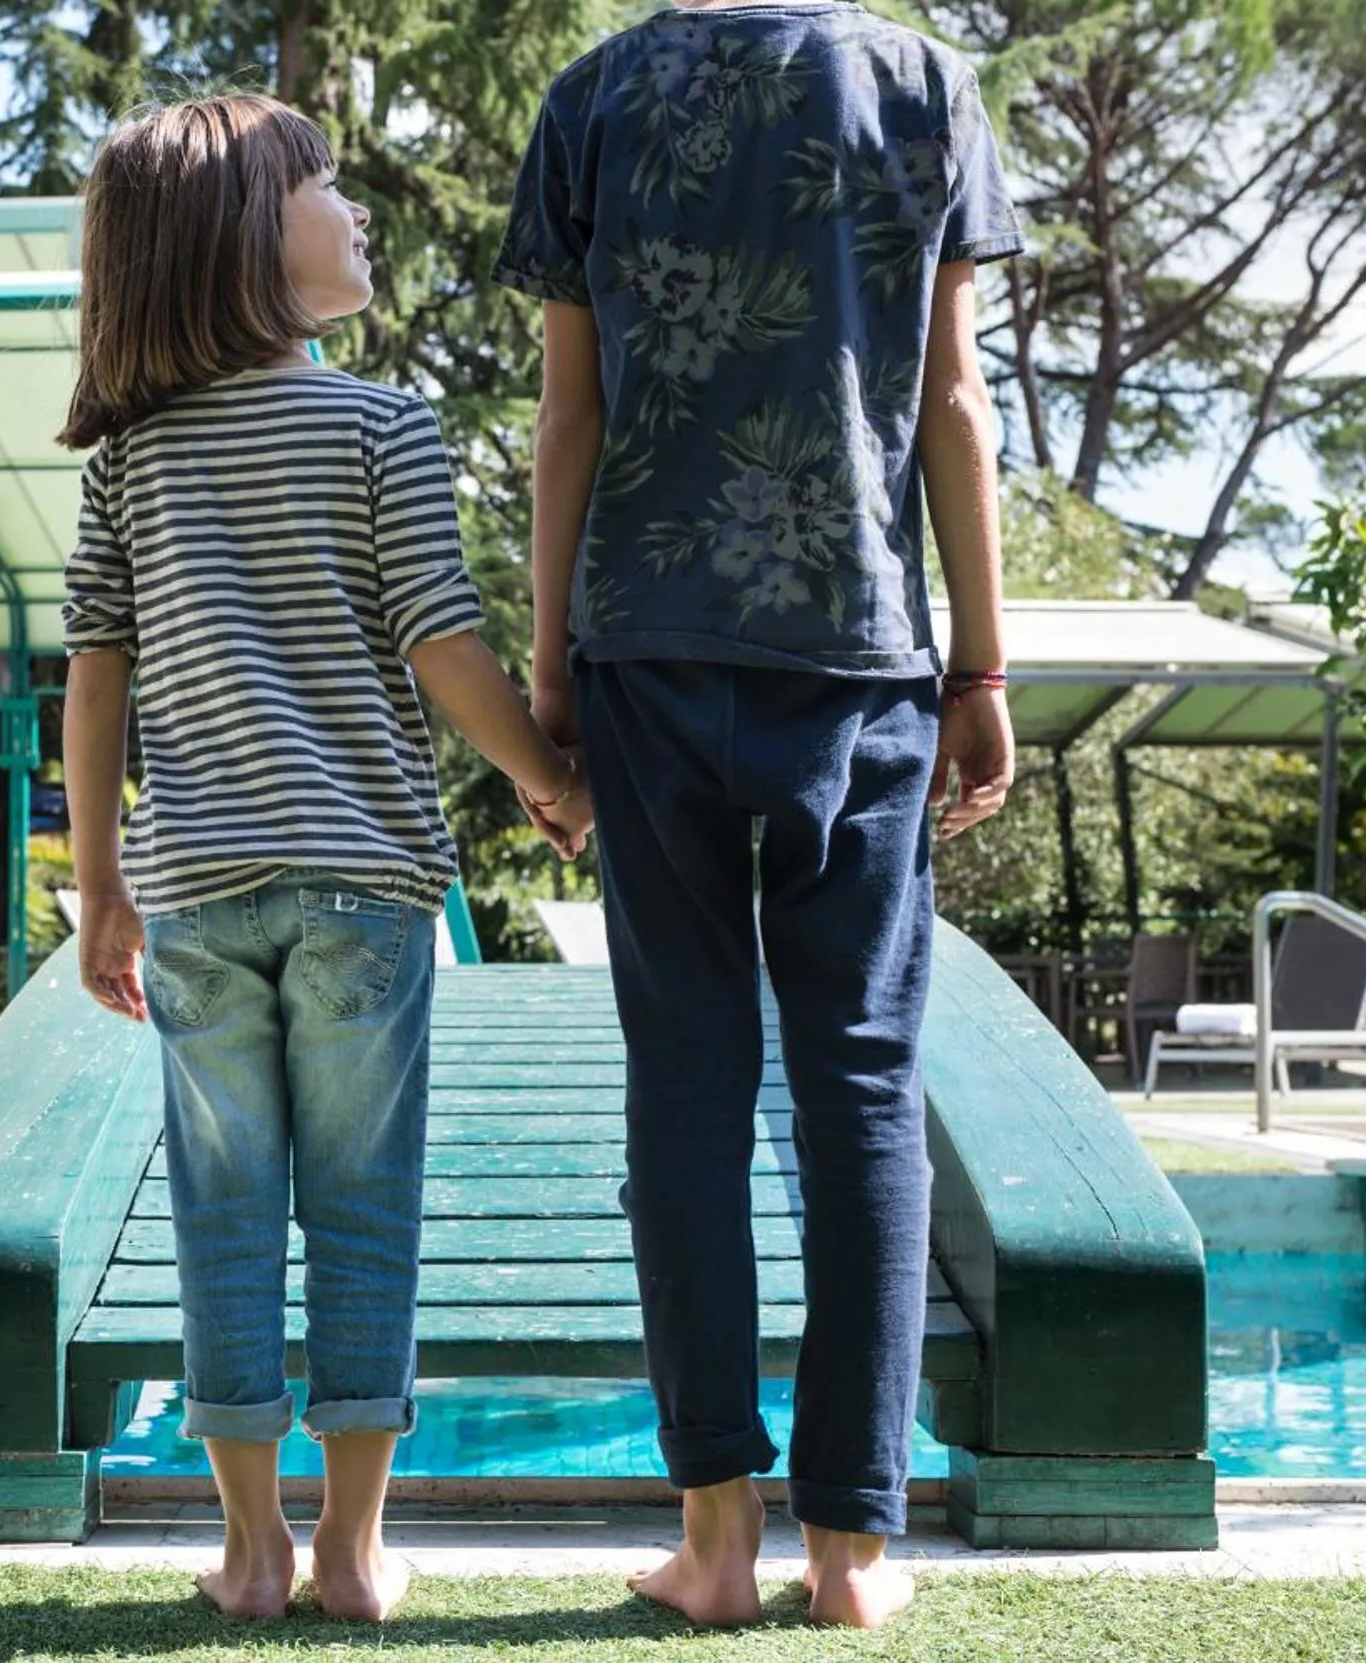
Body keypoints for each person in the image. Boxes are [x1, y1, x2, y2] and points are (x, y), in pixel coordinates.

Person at [495, 0, 1021, 1631]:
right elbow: (953, 409)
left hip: (645, 647)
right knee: (861, 1080)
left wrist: (551, 665)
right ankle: (853, 1553)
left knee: (687, 1079)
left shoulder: (591, 98)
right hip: (858, 659)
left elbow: (565, 422)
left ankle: (715, 1539)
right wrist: (982, 667)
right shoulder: (931, 86)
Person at [60, 93, 594, 1623]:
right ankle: (354, 1551)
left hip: (197, 892)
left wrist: (104, 888)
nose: (357, 212)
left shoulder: (128, 457)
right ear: (247, 237)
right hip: (365, 889)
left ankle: (245, 1549)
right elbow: (441, 641)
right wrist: (551, 775)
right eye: (326, 186)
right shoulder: (379, 424)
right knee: (364, 1203)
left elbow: (96, 673)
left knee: (221, 1210)